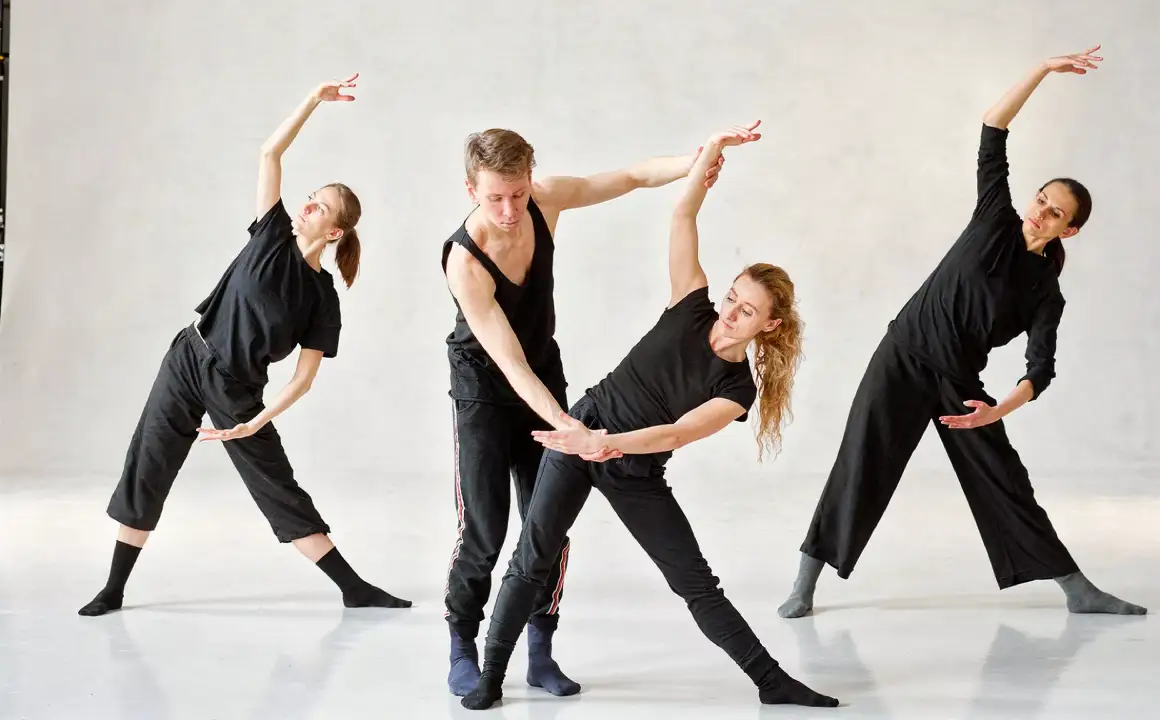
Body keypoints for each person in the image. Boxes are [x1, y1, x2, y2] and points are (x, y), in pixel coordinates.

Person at [459, 121, 840, 711]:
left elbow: (678, 433)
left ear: (769, 326)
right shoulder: (690, 301)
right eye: (732, 297)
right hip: (581, 430)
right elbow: (683, 213)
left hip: (631, 464)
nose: (730, 313)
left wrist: (606, 444)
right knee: (530, 559)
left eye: (747, 312)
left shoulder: (738, 389)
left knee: (696, 583)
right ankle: (490, 676)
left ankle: (771, 681)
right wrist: (710, 152)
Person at [777, 46, 1148, 619]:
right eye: (1042, 199)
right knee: (861, 464)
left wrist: (995, 411)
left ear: (1069, 231)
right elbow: (994, 127)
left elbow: (1040, 370)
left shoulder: (1045, 293)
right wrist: (1042, 70)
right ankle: (805, 584)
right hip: (902, 357)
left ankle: (1078, 590)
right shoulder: (994, 215)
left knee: (1004, 478)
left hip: (957, 383)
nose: (1040, 212)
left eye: (1055, 213)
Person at [79, 74, 411, 617]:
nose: (307, 206)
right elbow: (270, 152)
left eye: (320, 207)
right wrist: (314, 100)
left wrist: (256, 421)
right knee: (149, 464)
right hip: (188, 356)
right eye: (310, 198)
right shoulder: (271, 232)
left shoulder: (322, 298)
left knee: (276, 485)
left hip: (235, 388)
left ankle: (354, 589)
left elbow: (303, 379)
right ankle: (113, 588)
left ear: (334, 232)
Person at [440, 126, 727, 697]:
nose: (509, 210)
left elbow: (629, 177)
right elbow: (508, 361)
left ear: (530, 180)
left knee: (547, 522)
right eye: (495, 197)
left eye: (518, 193)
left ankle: (540, 651)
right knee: (485, 529)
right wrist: (567, 424)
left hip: (543, 373)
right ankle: (462, 644)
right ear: (471, 189)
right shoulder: (464, 260)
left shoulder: (546, 199)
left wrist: (696, 162)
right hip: (484, 390)